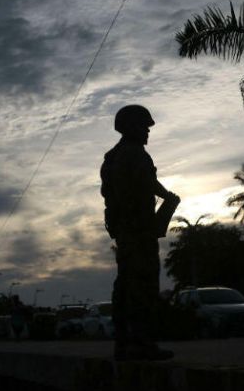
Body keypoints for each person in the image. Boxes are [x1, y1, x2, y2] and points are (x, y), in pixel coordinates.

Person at [100, 104, 180, 361]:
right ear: (131, 127)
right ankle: (141, 343)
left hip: (126, 231)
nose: (148, 131)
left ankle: (124, 343)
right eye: (144, 126)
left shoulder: (114, 156)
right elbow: (142, 184)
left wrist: (165, 195)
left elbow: (142, 184)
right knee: (142, 285)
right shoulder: (134, 154)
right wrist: (166, 198)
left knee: (126, 284)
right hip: (138, 230)